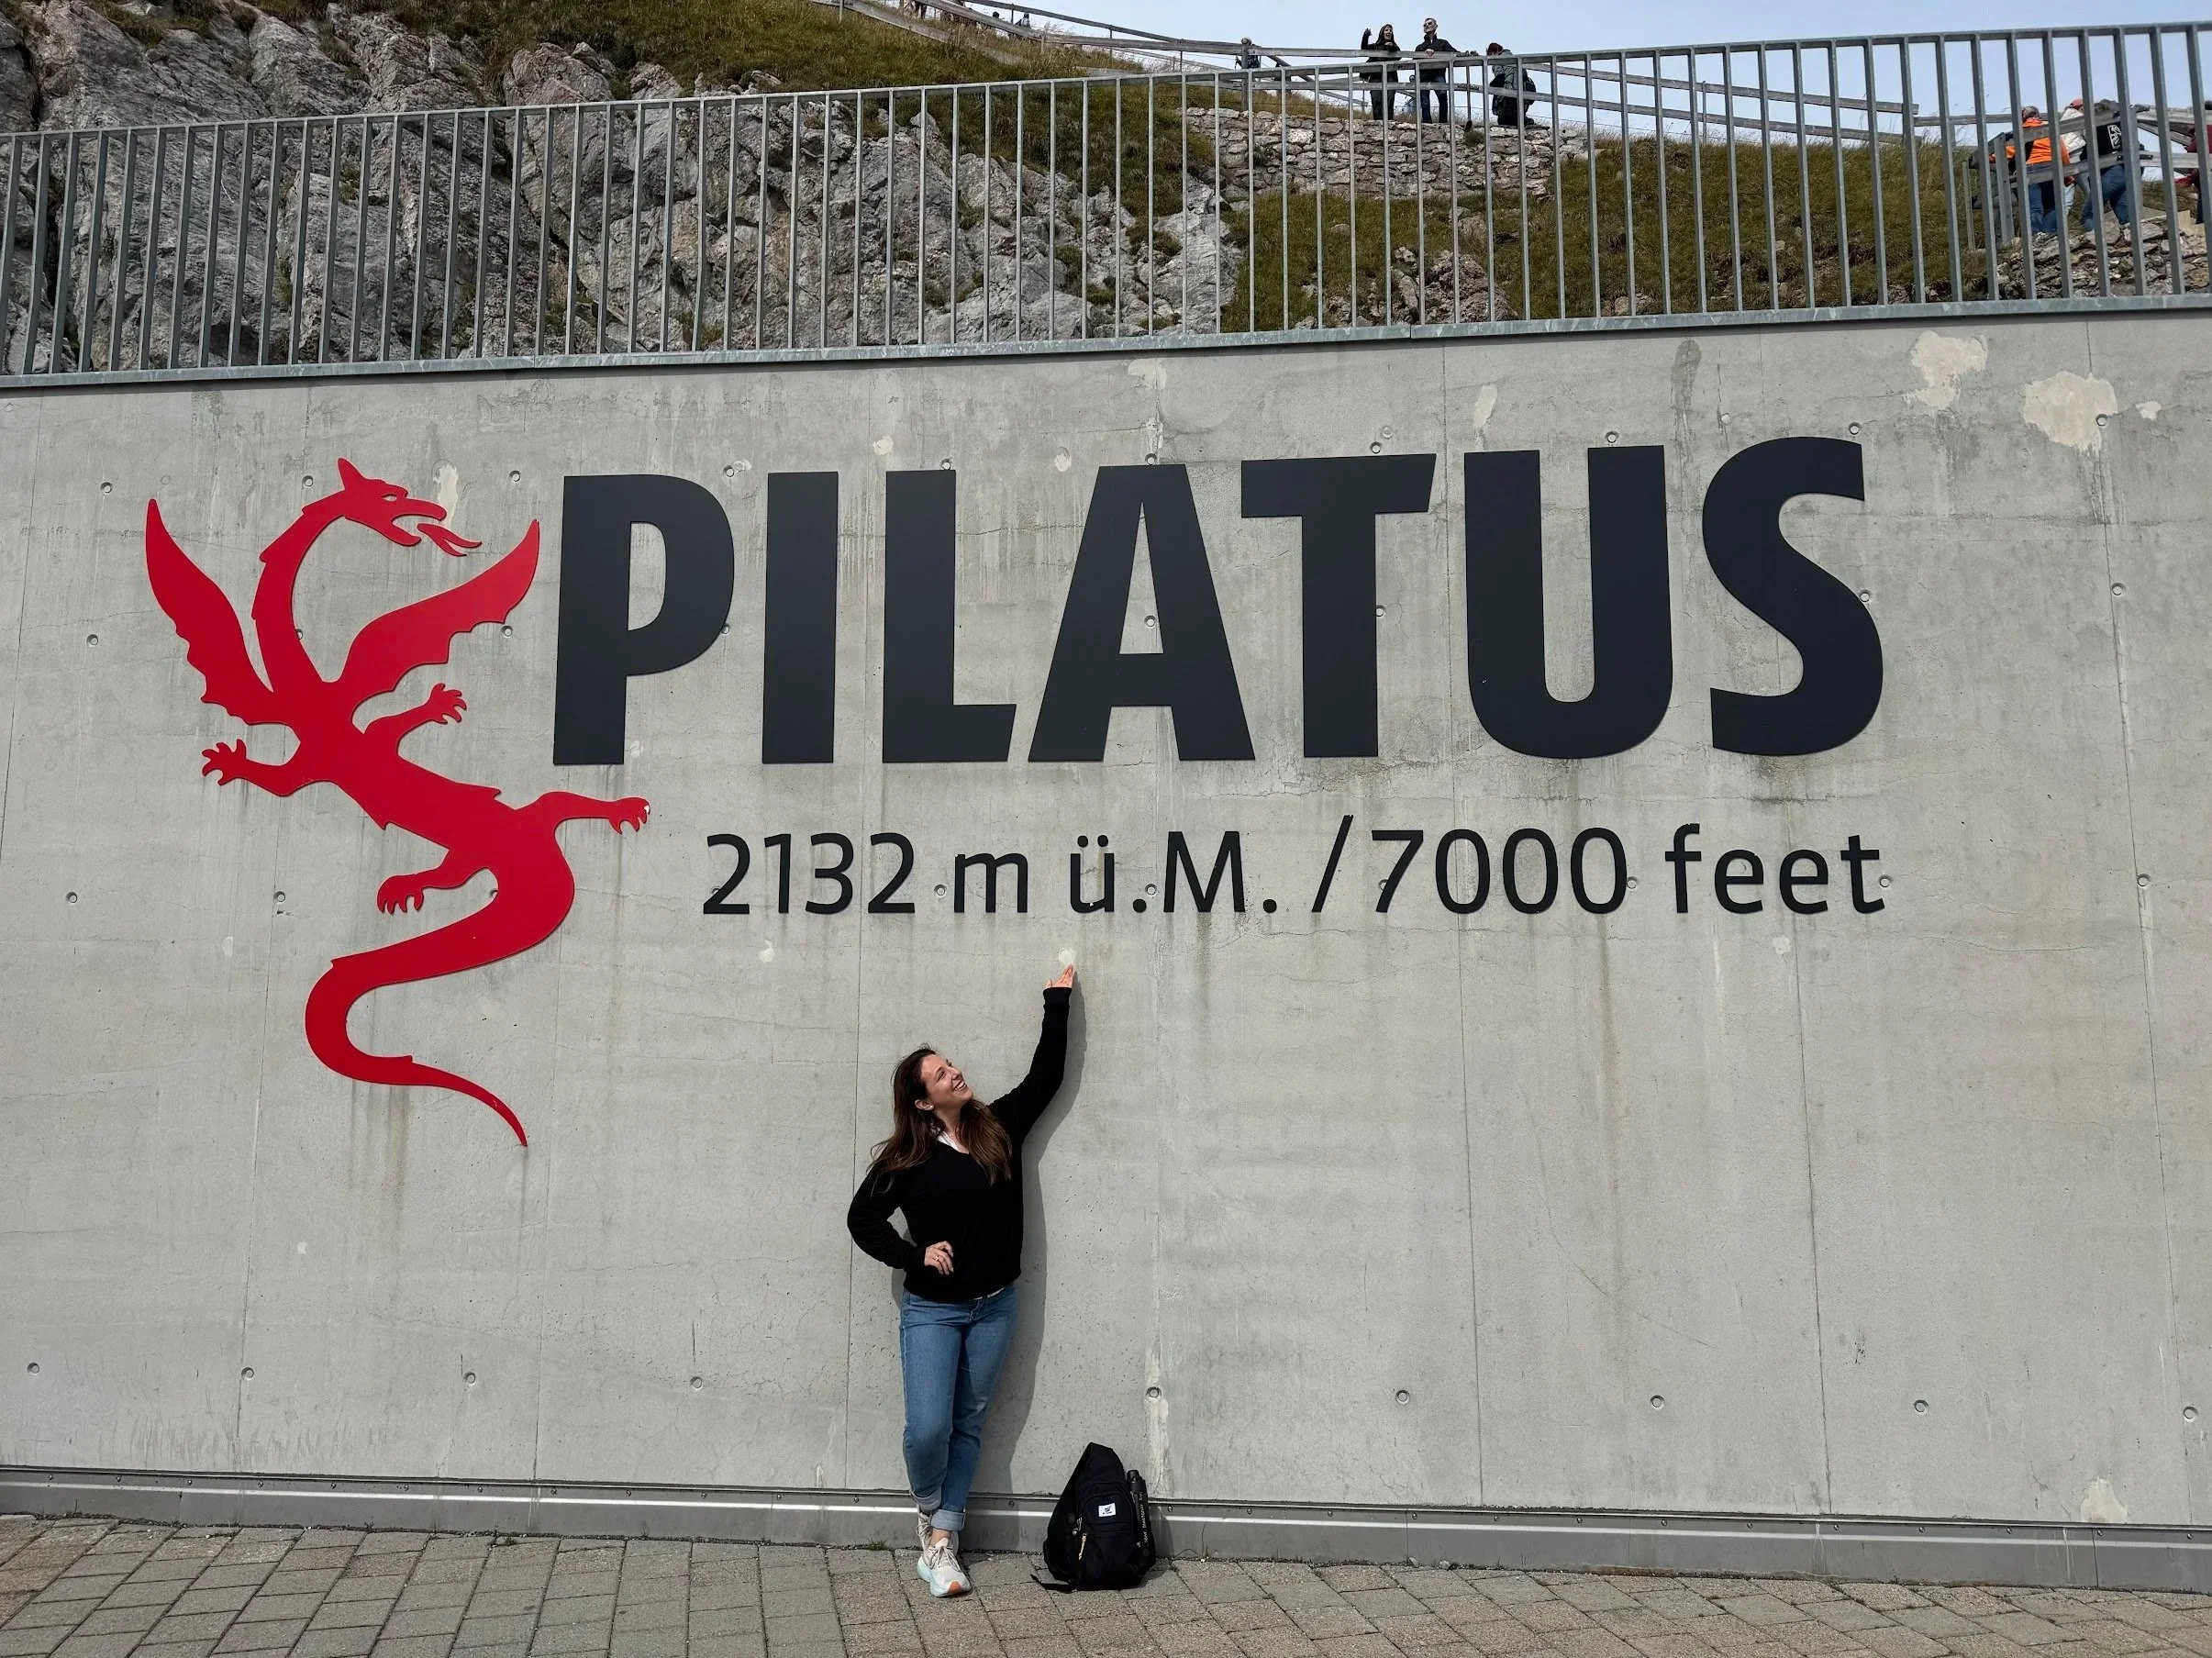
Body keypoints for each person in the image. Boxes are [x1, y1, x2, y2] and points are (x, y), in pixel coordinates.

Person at [847, 965, 1078, 1598]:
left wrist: (1056, 1000)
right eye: (941, 1072)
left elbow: (1047, 1076)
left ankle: (942, 1546)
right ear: (923, 1100)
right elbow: (862, 1218)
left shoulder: (998, 1128)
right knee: (928, 1428)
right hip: (933, 1311)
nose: (954, 1072)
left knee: (968, 1421)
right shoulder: (906, 1159)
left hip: (996, 1304)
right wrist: (911, 1254)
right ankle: (930, 1509)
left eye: (950, 1063)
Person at [2076, 98, 2144, 232]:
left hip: (2113, 171)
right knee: (2123, 209)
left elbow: (2089, 153)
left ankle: (2097, 245)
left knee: (2089, 213)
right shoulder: (2120, 123)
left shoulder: (2098, 127)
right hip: (2133, 167)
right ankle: (2136, 240)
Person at [1414, 17, 1456, 125]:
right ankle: (1427, 125)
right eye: (1424, 24)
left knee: (1443, 97)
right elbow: (1414, 60)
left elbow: (1455, 54)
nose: (1426, 25)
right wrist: (1425, 52)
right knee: (1424, 101)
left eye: (1429, 23)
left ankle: (1443, 123)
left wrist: (1435, 51)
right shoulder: (1420, 47)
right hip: (1423, 76)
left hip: (1438, 74)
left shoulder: (1443, 43)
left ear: (1436, 26)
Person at [1487, 43, 1537, 128]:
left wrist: (1490, 87)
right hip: (1523, 96)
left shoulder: (1497, 61)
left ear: (1495, 52)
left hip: (1509, 95)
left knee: (1503, 120)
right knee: (1517, 117)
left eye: (1490, 55)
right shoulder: (1517, 60)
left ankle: (1526, 122)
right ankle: (1525, 122)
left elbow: (1501, 77)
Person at [1360, 24, 1402, 121]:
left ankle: (1389, 124)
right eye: (1387, 30)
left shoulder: (1395, 47)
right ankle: (1378, 124)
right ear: (1382, 32)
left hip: (1391, 78)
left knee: (1389, 101)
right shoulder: (1376, 46)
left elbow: (1399, 56)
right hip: (1376, 77)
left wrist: (1391, 47)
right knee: (1376, 101)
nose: (1389, 32)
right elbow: (1364, 48)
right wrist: (1365, 36)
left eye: (1390, 30)